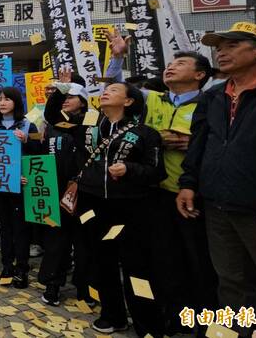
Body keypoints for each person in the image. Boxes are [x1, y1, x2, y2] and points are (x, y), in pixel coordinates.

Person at [104, 29, 219, 333]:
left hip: (192, 195)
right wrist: (117, 57)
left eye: (180, 64)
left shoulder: (211, 104)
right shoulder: (153, 100)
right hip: (154, 195)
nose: (171, 67)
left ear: (200, 75)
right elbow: (119, 90)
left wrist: (195, 142)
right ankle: (171, 315)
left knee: (197, 261)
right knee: (163, 260)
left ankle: (200, 320)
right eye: (170, 63)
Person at [178, 22, 256, 338]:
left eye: (232, 45)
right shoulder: (214, 96)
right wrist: (188, 182)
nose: (221, 51)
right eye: (219, 46)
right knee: (231, 281)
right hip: (217, 204)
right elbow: (200, 142)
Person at [55, 81, 165, 335]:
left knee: (136, 266)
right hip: (92, 205)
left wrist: (130, 169)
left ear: (128, 102)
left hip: (129, 208)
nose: (106, 92)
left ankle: (147, 322)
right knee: (101, 260)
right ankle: (112, 315)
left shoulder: (145, 133)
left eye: (114, 90)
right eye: (106, 90)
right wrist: (63, 88)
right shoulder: (89, 127)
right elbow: (54, 117)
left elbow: (156, 171)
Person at [0, 87, 41, 289]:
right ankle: (6, 266)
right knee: (5, 227)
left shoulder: (27, 125)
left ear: (16, 101)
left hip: (20, 185)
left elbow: (37, 155)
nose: (2, 103)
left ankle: (22, 268)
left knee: (21, 229)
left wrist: (26, 141)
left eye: (7, 99)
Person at [38, 77, 90, 307]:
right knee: (56, 239)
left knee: (83, 241)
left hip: (85, 189)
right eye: (63, 97)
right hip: (57, 188)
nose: (66, 100)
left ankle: (85, 287)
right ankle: (53, 284)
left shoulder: (92, 122)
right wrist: (60, 89)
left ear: (83, 101)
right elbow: (50, 112)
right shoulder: (56, 123)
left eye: (71, 97)